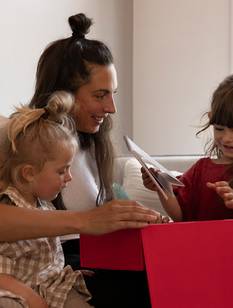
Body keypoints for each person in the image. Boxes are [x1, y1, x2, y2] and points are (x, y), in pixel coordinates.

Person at [0, 13, 162, 308]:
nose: (111, 108)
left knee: (165, 272)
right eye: (100, 95)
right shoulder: (22, 143)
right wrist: (87, 221)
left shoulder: (92, 142)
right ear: (64, 93)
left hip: (91, 257)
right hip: (59, 265)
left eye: (112, 95)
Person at [0, 91, 95, 308]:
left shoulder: (43, 204)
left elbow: (44, 261)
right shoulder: (9, 209)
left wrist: (65, 273)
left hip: (52, 288)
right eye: (62, 171)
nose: (69, 178)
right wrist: (30, 297)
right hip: (16, 290)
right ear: (29, 173)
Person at [142, 74, 233, 222]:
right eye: (219, 128)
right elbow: (180, 217)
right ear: (211, 119)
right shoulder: (201, 169)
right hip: (199, 243)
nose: (227, 138)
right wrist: (163, 189)